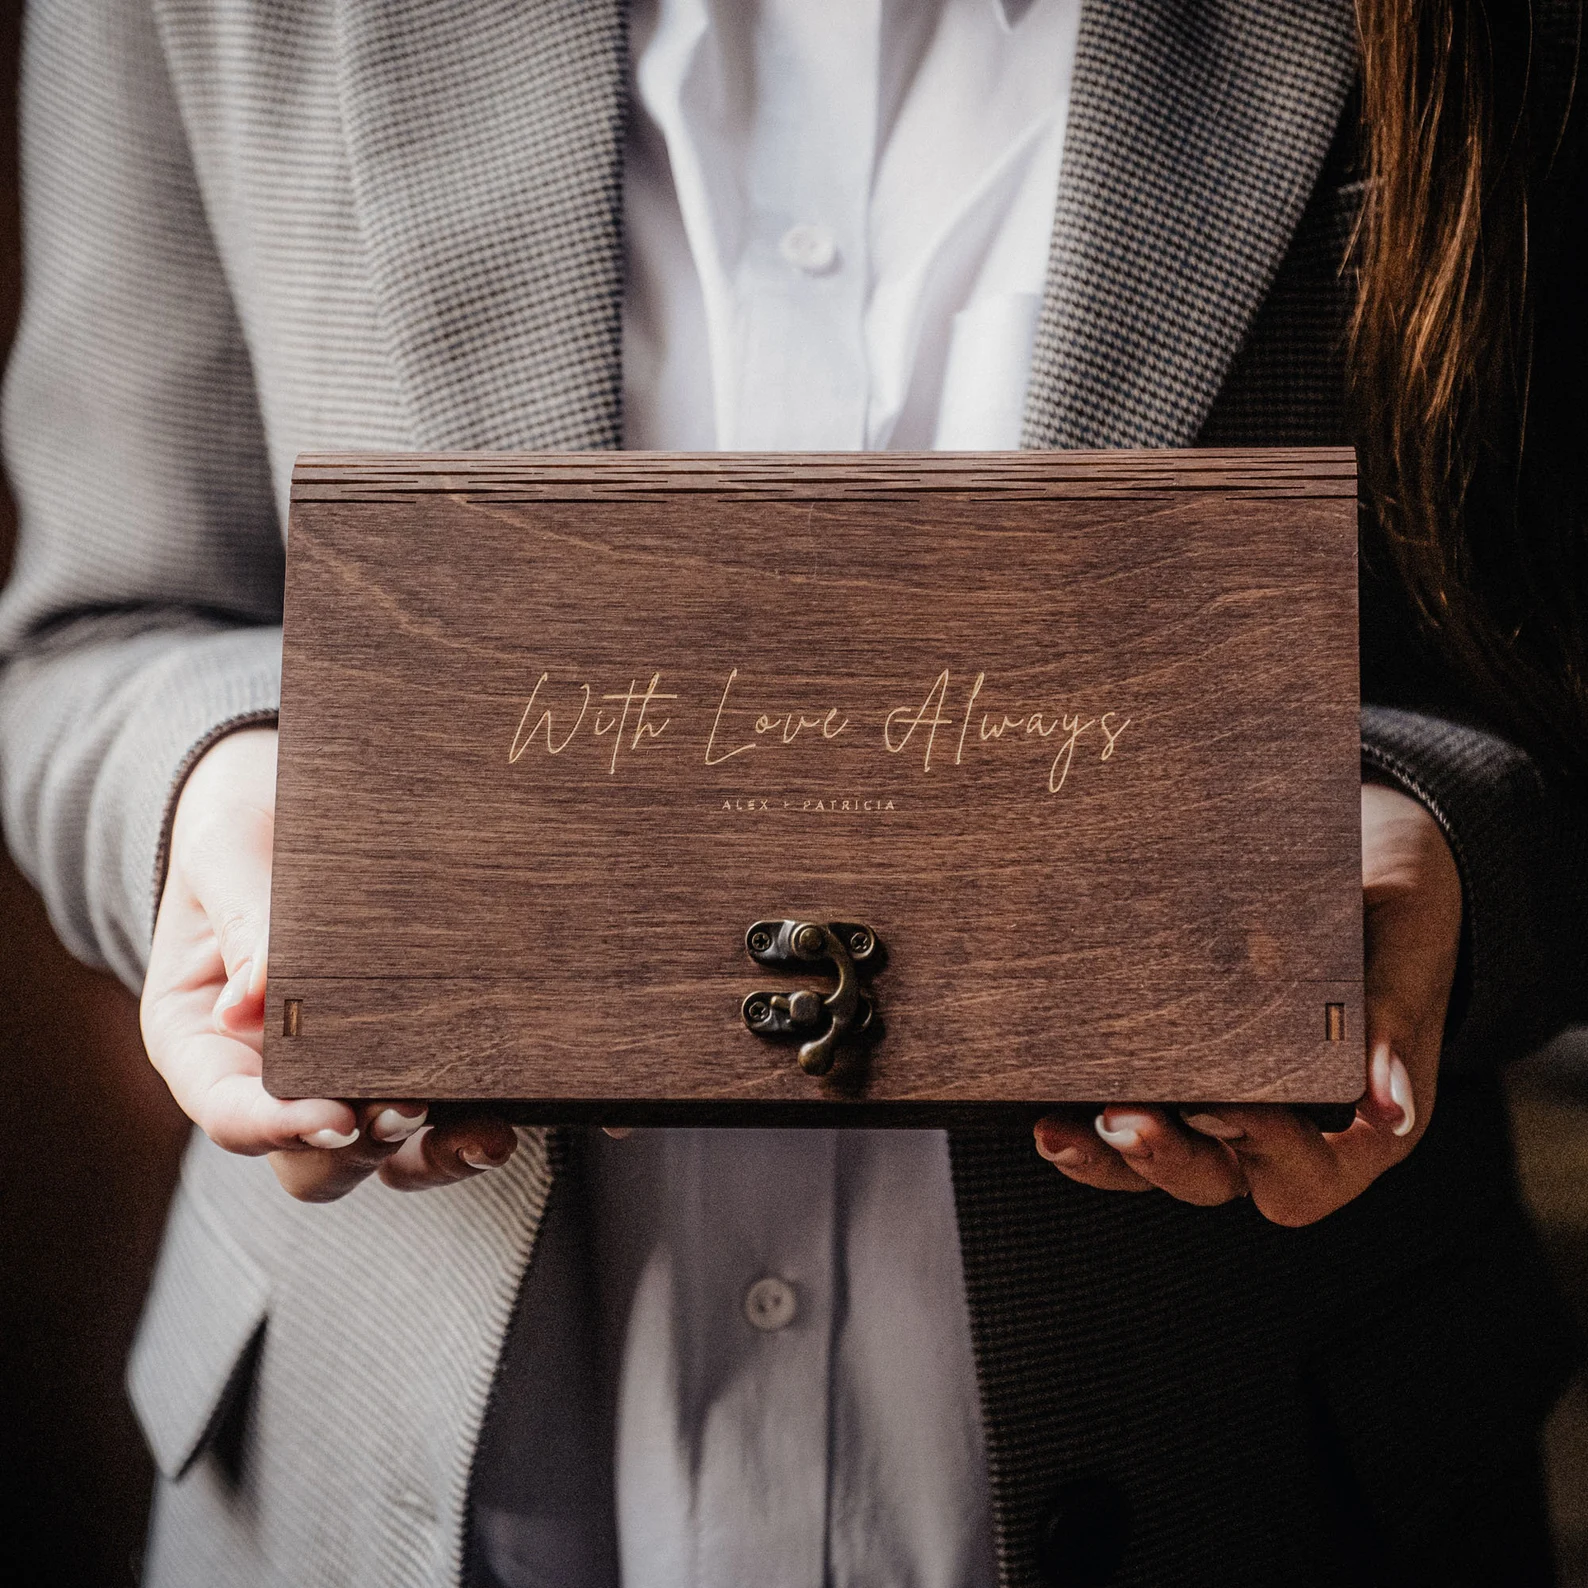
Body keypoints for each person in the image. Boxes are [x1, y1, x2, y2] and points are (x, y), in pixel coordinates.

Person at [1, 1, 1585, 1584]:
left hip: (1247, 1461)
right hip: (400, 1455)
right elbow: (106, 631)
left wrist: (1440, 844)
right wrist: (223, 796)